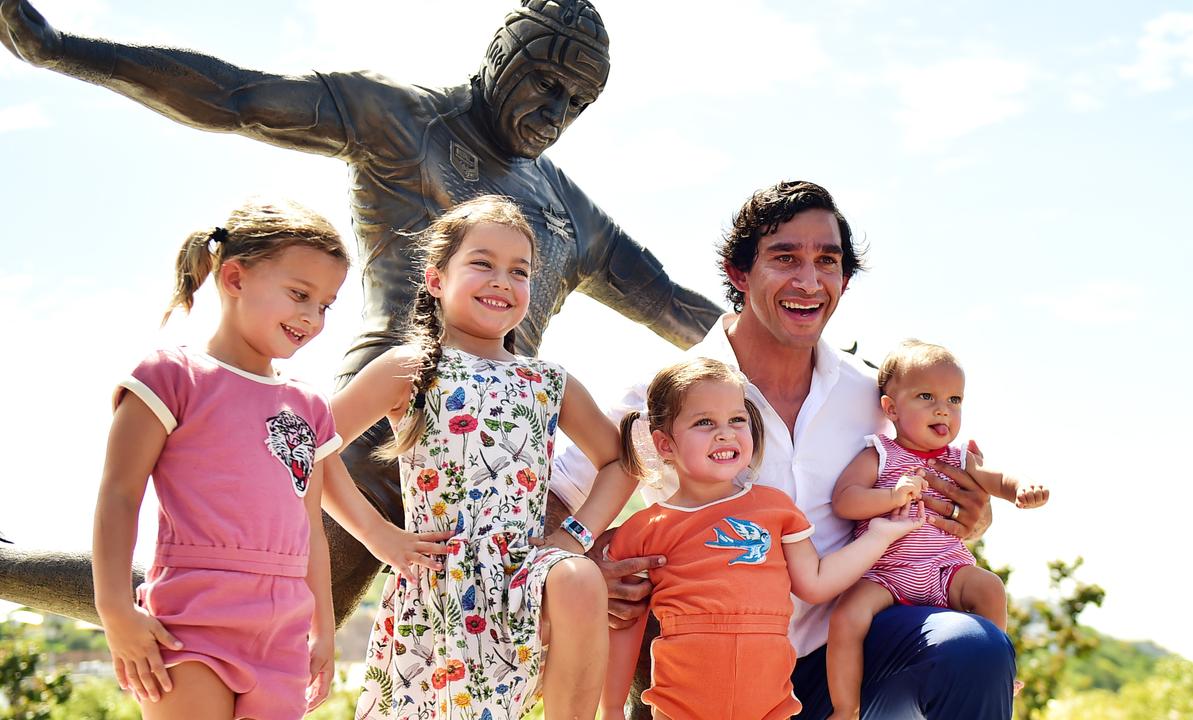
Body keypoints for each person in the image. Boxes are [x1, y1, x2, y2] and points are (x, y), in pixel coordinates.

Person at [0, 0, 722, 623]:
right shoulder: (399, 119)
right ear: (502, 55)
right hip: (380, 432)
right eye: (546, 83)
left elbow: (673, 306)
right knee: (234, 599)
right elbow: (237, 96)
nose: (557, 113)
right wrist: (59, 50)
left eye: (577, 101)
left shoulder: (572, 213)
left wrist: (807, 344)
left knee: (602, 607)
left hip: (495, 463)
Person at [552, 180, 1017, 719]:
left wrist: (969, 515)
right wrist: (586, 571)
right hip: (703, 674)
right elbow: (559, 498)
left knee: (971, 647)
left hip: (842, 654)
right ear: (739, 273)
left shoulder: (873, 397)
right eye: (785, 258)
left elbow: (936, 485)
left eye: (827, 261)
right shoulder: (662, 397)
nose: (810, 280)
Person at [91, 199, 435, 719]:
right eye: (299, 294)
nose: (311, 317)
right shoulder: (170, 376)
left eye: (325, 304)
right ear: (234, 278)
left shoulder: (309, 407)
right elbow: (119, 494)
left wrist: (322, 628)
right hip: (190, 625)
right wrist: (115, 610)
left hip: (283, 637)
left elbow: (310, 529)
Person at [325, 195, 637, 719]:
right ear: (435, 279)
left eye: (520, 271)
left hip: (520, 583)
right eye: (482, 263)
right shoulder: (412, 367)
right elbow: (311, 444)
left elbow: (622, 462)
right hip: (437, 585)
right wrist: (378, 535)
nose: (503, 280)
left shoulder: (547, 381)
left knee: (579, 576)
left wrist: (572, 537)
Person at [601, 357, 923, 720]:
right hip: (681, 707)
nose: (725, 433)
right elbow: (624, 624)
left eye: (736, 420)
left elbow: (815, 583)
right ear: (664, 444)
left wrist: (879, 536)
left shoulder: (774, 509)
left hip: (770, 705)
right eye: (704, 422)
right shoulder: (646, 528)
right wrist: (612, 707)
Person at [826, 340, 1049, 719]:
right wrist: (891, 497)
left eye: (954, 400)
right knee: (847, 617)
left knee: (989, 587)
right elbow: (844, 501)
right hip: (886, 572)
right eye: (926, 396)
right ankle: (845, 708)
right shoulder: (880, 455)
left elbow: (997, 478)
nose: (942, 408)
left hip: (945, 568)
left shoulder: (959, 458)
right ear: (891, 408)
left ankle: (997, 670)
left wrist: (1021, 486)